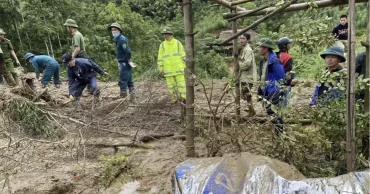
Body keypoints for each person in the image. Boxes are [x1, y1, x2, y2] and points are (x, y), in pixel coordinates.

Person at [256, 38, 286, 134]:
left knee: (274, 114)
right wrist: (260, 90)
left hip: (274, 91)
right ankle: (278, 133)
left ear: (266, 49)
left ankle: (280, 134)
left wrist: (279, 92)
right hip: (266, 91)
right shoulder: (263, 62)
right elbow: (262, 77)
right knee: (269, 113)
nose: (258, 48)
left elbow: (281, 78)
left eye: (260, 47)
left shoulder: (275, 61)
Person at [157, 27, 186, 104]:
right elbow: (160, 58)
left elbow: (183, 56)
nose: (165, 36)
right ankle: (174, 100)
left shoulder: (177, 43)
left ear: (170, 34)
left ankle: (184, 99)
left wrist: (184, 66)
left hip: (179, 69)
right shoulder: (162, 45)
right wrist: (160, 68)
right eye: (164, 34)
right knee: (171, 87)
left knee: (182, 86)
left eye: (166, 34)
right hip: (168, 70)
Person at [108, 22, 135, 101]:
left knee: (123, 80)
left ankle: (123, 100)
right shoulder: (118, 39)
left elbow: (127, 51)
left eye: (115, 30)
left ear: (119, 30)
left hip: (124, 62)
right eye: (112, 30)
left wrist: (128, 60)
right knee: (129, 81)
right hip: (124, 62)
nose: (113, 32)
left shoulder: (121, 39)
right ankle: (132, 99)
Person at [238, 32, 257, 116]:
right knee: (246, 95)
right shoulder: (245, 49)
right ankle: (251, 111)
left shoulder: (247, 50)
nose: (241, 40)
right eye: (241, 38)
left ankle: (251, 112)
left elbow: (247, 64)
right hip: (245, 77)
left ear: (248, 40)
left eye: (243, 38)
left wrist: (238, 66)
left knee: (247, 95)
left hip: (247, 77)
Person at [276, 37, 295, 106]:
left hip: (275, 82)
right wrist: (289, 83)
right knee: (284, 101)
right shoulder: (288, 57)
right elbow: (288, 72)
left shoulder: (275, 55)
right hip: (284, 82)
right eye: (289, 44)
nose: (290, 45)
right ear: (285, 46)